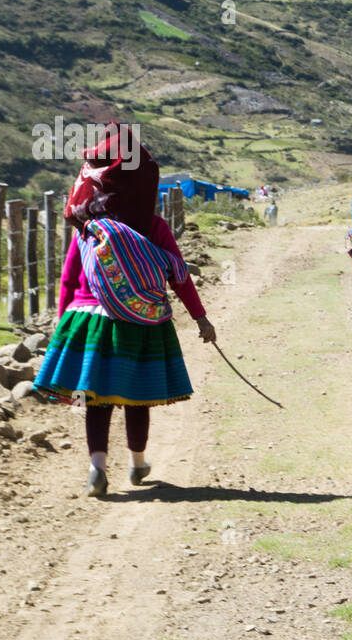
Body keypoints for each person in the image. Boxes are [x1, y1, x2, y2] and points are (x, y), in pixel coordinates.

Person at [34, 125, 217, 496]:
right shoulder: (154, 227)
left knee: (95, 399)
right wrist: (200, 317)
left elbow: (69, 280)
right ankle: (137, 463)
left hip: (87, 319)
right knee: (136, 396)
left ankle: (95, 468)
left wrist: (63, 323)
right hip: (140, 322)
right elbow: (180, 277)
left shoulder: (87, 228)